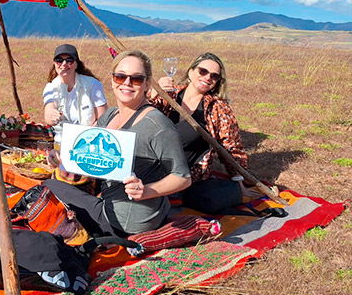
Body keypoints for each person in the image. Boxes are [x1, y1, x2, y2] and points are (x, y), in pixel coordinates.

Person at [45, 50, 191, 236]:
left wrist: (146, 191)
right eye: (120, 76)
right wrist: (63, 156)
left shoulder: (157, 125)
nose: (127, 83)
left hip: (126, 221)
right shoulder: (111, 115)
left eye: (136, 79)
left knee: (47, 188)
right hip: (114, 204)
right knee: (57, 184)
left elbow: (183, 177)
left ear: (147, 84)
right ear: (113, 81)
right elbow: (90, 154)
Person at [148, 52, 248, 182]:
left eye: (214, 76)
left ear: (217, 82)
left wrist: (239, 182)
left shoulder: (218, 108)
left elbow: (231, 148)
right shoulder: (169, 96)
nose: (207, 77)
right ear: (190, 72)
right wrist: (154, 93)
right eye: (203, 71)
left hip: (187, 177)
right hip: (153, 168)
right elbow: (141, 117)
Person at [43, 44, 108, 185]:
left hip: (89, 149)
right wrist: (52, 115)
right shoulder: (50, 88)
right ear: (54, 64)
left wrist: (84, 140)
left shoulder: (92, 85)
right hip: (62, 150)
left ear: (76, 64)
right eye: (59, 60)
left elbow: (103, 119)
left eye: (69, 60)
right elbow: (48, 113)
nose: (64, 64)